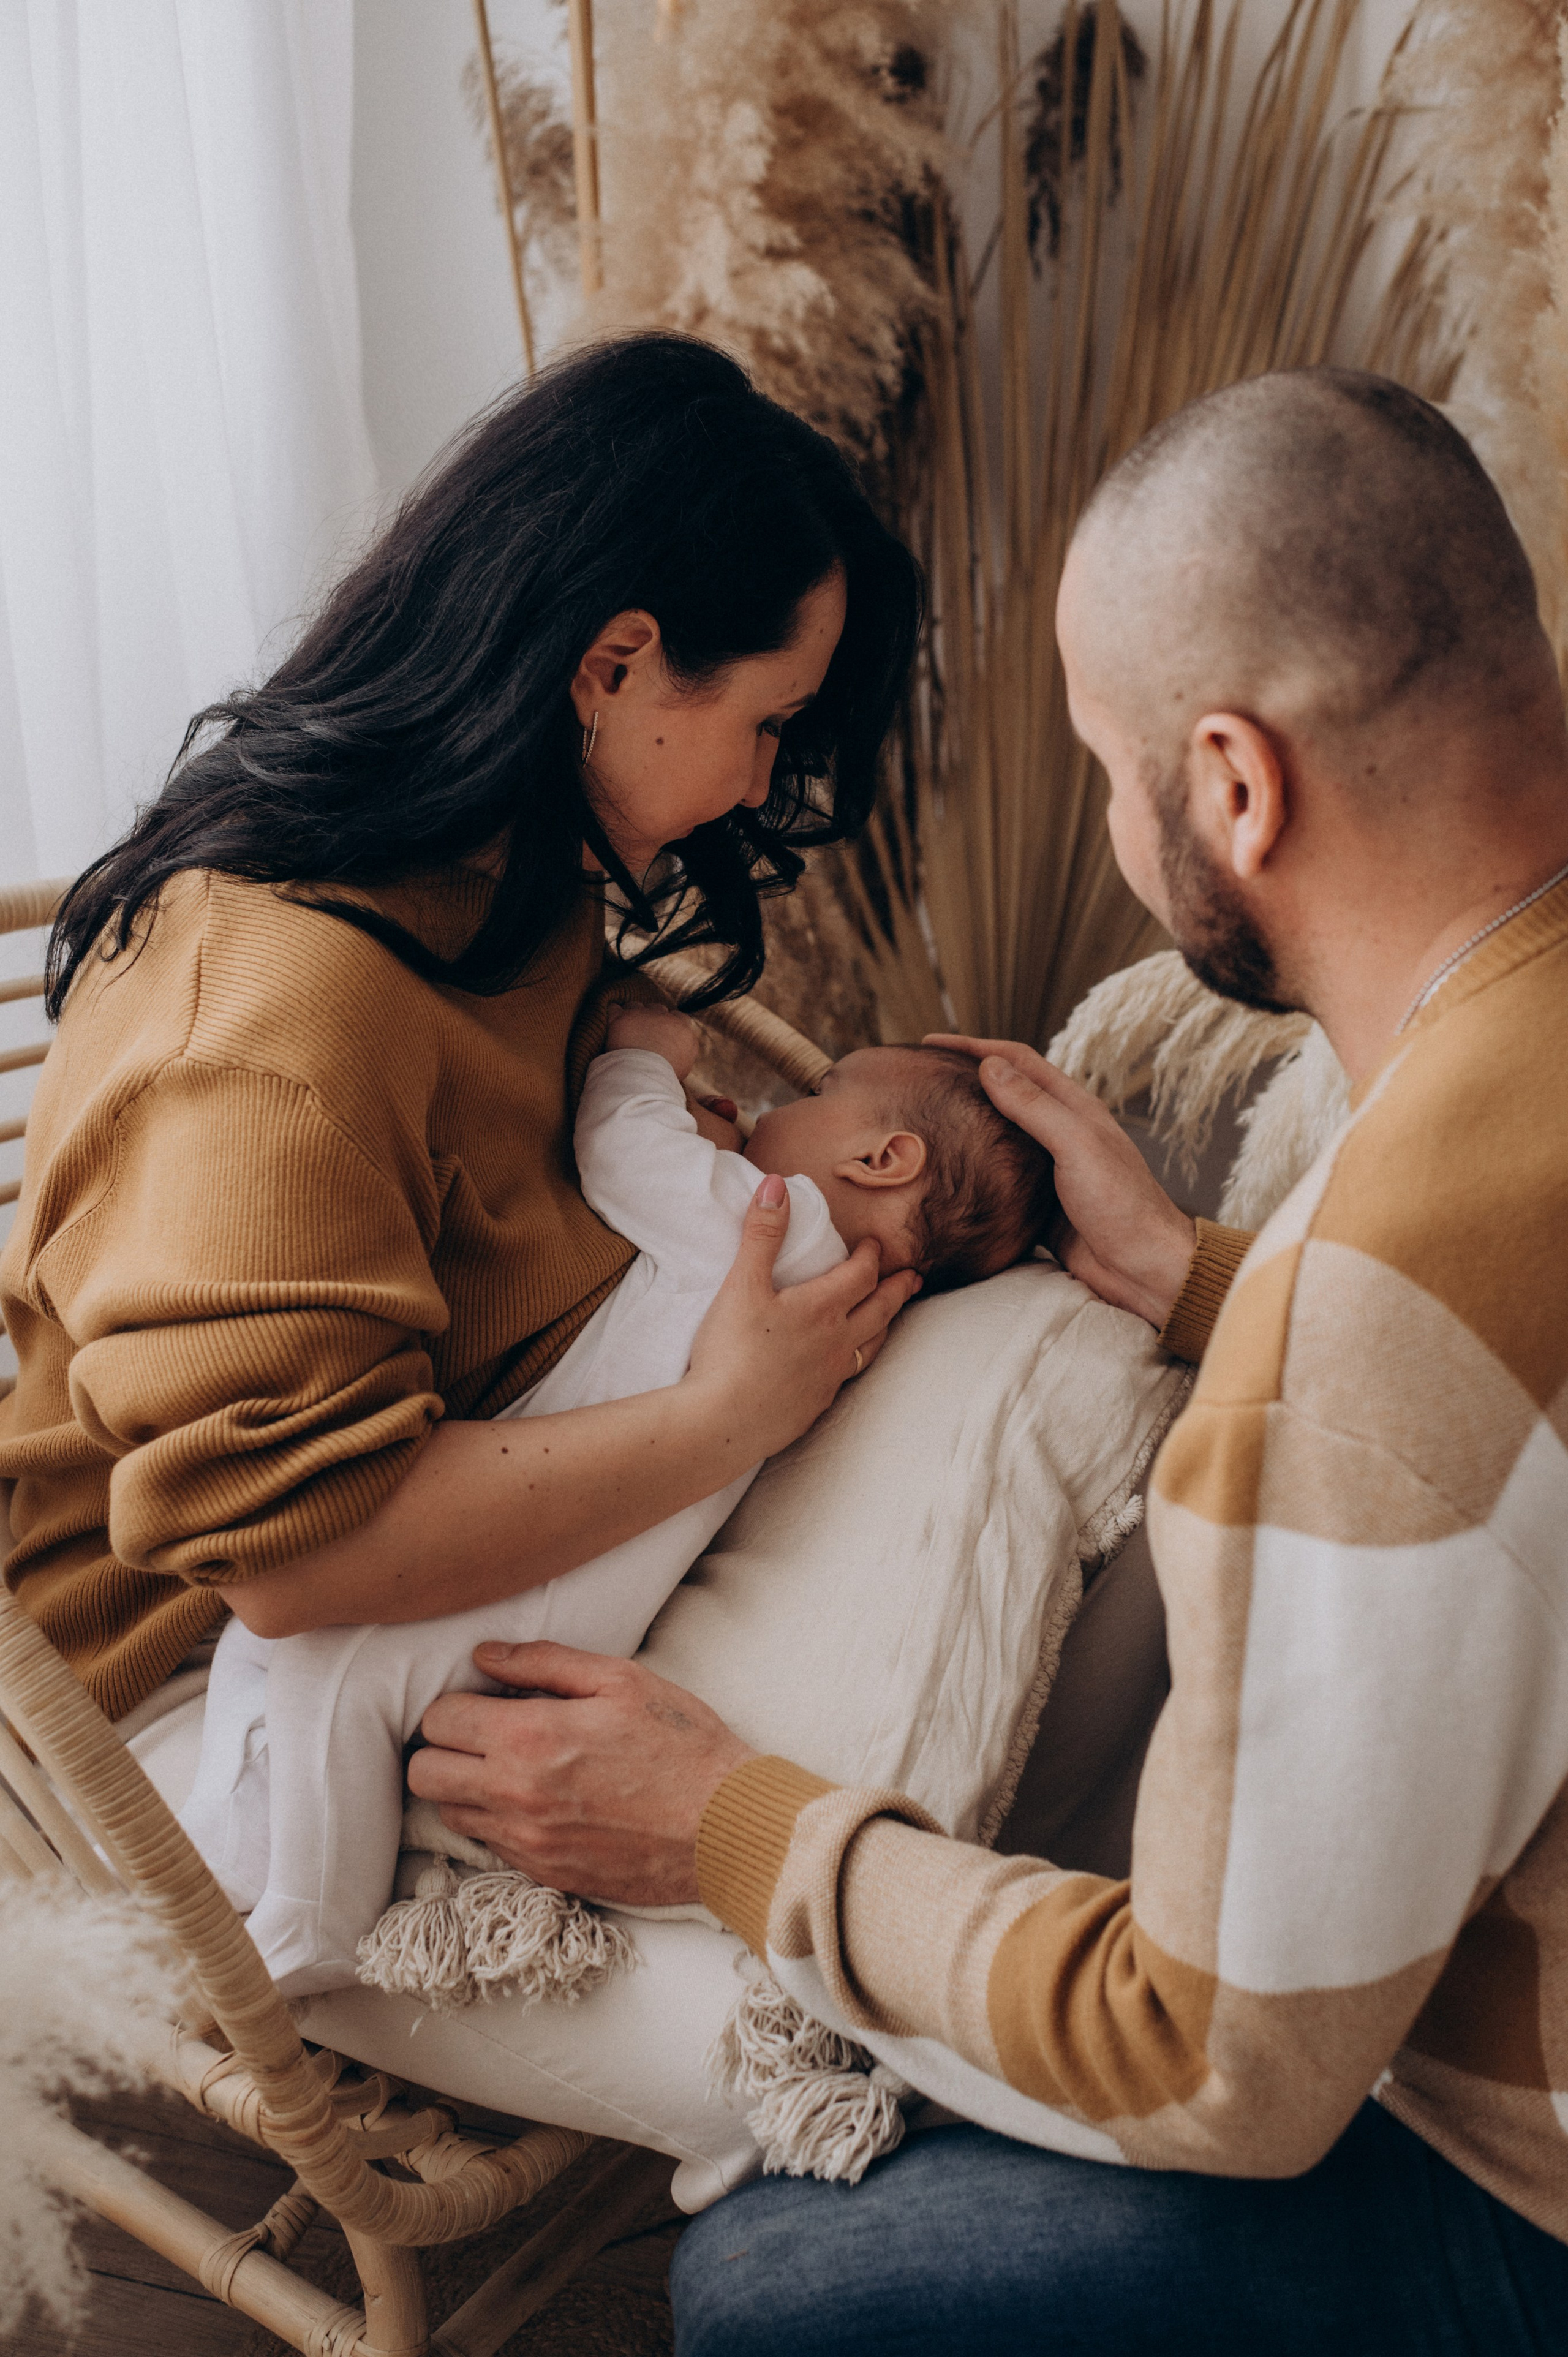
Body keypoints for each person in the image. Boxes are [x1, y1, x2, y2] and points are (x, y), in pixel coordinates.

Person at [400, 369, 1568, 2354]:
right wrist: (1198, 1278)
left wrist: (730, 1820)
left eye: (1107, 766)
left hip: (1529, 2180)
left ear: (1234, 782)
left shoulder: (1357, 1338)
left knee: (775, 2280)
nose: (1117, 824)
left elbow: (1221, 2062)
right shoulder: (1430, 1192)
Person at [0, 331, 922, 1732]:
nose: (759, 782)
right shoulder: (275, 1018)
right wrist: (729, 1415)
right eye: (768, 721)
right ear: (613, 666)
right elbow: (291, 1556)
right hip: (155, 1711)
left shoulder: (513, 884)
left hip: (475, 1554)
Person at [177, 1011, 1054, 1999]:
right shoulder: (844, 1301)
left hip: (541, 1554)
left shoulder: (781, 1221)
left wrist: (645, 1059)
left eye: (814, 1097)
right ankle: (241, 1839)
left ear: (882, 1157)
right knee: (295, 1666)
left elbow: (620, 1154)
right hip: (591, 1579)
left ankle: (314, 1918)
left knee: (334, 1674)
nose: (775, 1110)